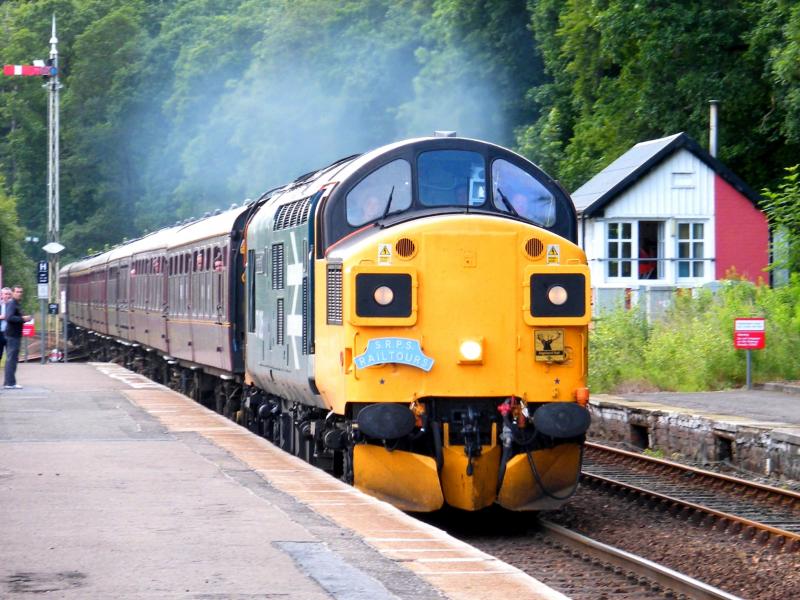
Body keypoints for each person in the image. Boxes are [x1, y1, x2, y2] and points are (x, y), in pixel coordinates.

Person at [3, 286, 32, 389]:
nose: (19, 293)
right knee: (12, 359)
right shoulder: (12, 303)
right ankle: (10, 383)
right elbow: (9, 317)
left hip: (14, 334)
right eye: (17, 292)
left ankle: (9, 382)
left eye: (21, 292)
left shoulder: (16, 304)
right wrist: (22, 319)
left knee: (12, 359)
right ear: (13, 293)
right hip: (12, 335)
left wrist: (25, 318)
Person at [0, 287, 11, 366]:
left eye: (9, 294)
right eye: (6, 294)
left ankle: (9, 374)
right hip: (0, 333)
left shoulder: (13, 305)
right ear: (1, 295)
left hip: (10, 333)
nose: (7, 296)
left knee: (10, 355)